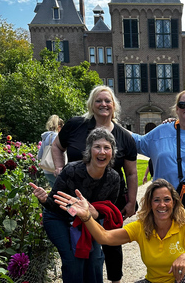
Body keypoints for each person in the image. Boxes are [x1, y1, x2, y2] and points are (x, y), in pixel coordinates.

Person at [51, 85, 138, 283]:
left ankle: (115, 279)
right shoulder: (75, 125)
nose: (103, 104)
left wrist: (131, 201)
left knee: (112, 243)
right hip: (75, 197)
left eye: (108, 101)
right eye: (98, 100)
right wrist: (58, 168)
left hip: (108, 199)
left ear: (114, 105)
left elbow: (132, 173)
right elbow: (57, 146)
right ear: (91, 104)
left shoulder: (125, 136)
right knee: (81, 245)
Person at [53, 179, 185, 283]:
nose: (162, 205)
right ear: (150, 204)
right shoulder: (141, 226)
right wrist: (87, 217)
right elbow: (105, 237)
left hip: (179, 281)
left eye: (167, 199)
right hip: (152, 281)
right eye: (156, 200)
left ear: (174, 203)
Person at [30, 128, 122, 283]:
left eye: (107, 148)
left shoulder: (113, 178)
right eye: (97, 147)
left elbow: (107, 211)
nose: (102, 152)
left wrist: (94, 215)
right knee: (74, 261)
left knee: (95, 259)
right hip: (58, 217)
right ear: (89, 151)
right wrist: (44, 199)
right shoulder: (72, 170)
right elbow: (53, 204)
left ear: (112, 153)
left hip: (87, 221)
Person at [131, 89, 185, 236]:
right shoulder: (163, 130)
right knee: (163, 236)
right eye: (182, 104)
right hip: (163, 197)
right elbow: (138, 142)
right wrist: (110, 124)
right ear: (176, 109)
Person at [37, 114, 64, 187]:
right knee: (61, 192)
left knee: (54, 192)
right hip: (55, 170)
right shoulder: (56, 136)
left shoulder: (45, 137)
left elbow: (39, 155)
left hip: (46, 170)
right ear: (59, 127)